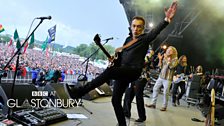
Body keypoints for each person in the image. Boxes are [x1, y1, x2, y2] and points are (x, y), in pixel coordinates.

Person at [66, 1, 178, 126]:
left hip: (133, 71)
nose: (136, 29)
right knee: (115, 100)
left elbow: (155, 31)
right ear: (131, 26)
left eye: (139, 26)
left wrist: (166, 20)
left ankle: (80, 92)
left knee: (110, 72)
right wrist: (114, 61)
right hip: (123, 71)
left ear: (143, 28)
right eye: (134, 26)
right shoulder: (128, 40)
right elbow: (122, 58)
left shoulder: (144, 39)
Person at [145, 46, 178, 111]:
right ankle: (153, 104)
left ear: (174, 52)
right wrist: (160, 59)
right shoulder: (165, 57)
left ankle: (164, 106)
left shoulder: (175, 59)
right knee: (155, 88)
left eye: (170, 50)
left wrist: (168, 60)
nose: (168, 51)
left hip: (168, 78)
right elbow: (160, 66)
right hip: (161, 76)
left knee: (165, 92)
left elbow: (171, 67)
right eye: (168, 50)